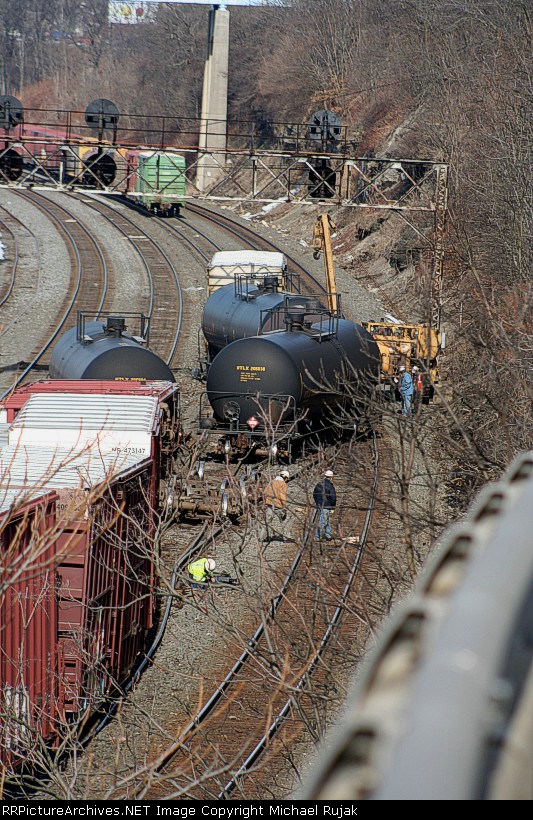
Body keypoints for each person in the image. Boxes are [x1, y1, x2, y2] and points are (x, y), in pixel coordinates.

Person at [313, 469, 337, 541]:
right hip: (326, 506)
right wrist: (332, 507)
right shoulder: (330, 486)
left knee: (326, 520)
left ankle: (327, 534)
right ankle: (318, 536)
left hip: (319, 505)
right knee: (323, 521)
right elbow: (333, 497)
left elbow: (314, 495)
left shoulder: (319, 484)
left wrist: (318, 502)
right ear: (331, 477)